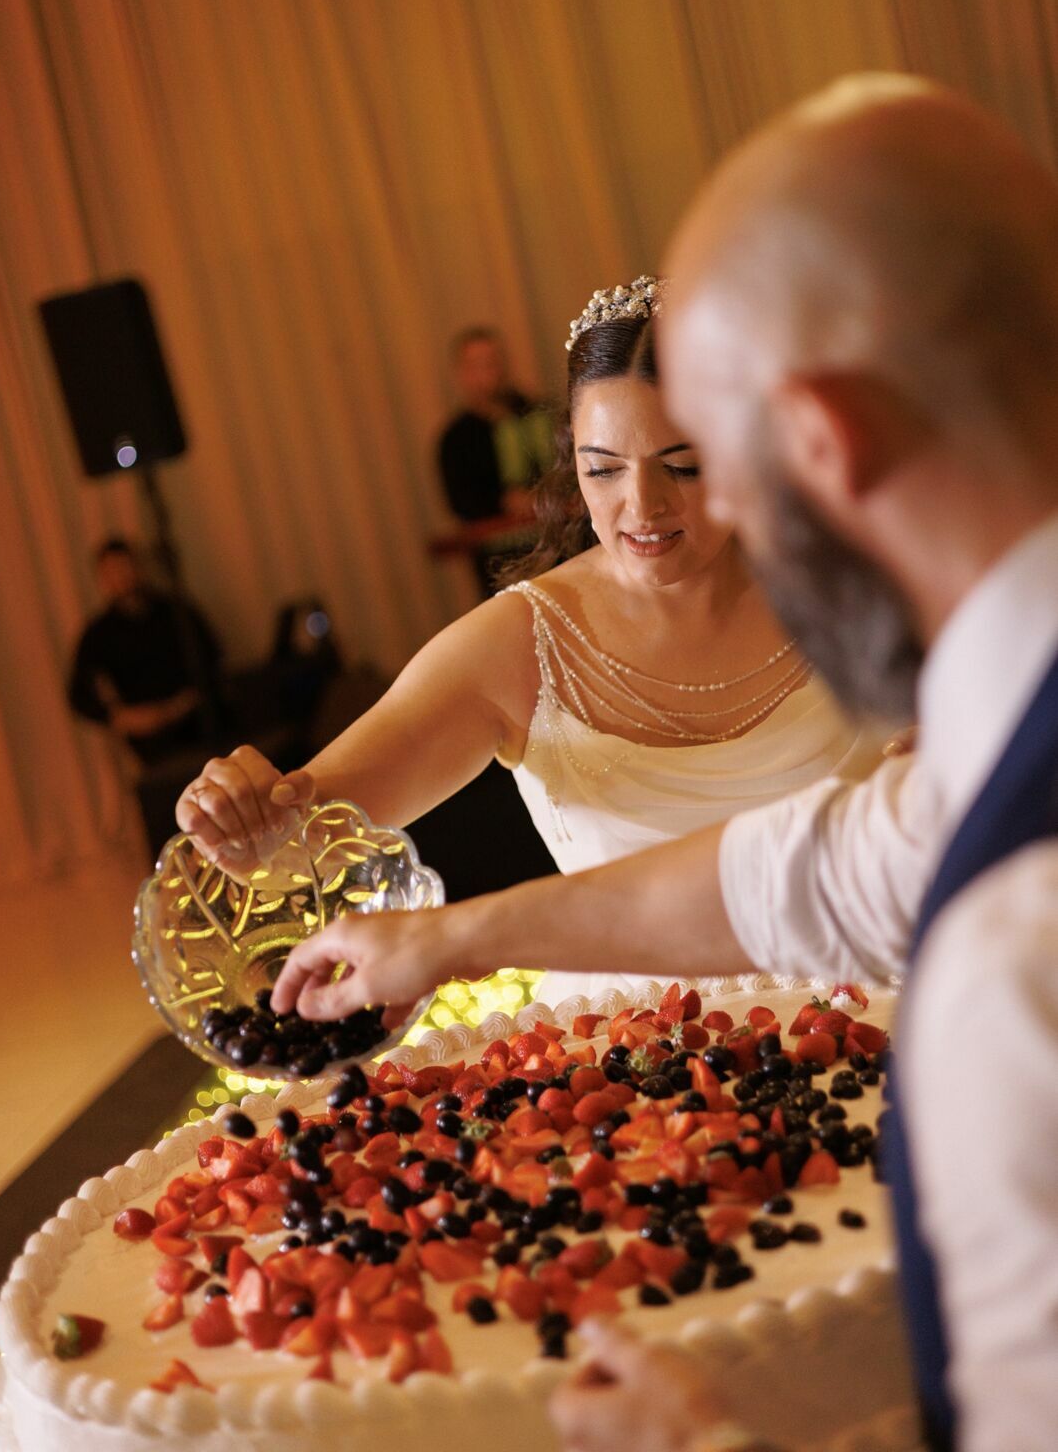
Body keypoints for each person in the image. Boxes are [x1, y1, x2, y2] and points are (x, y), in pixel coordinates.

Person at [267, 76, 1058, 1452]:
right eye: (603, 472)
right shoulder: (981, 782)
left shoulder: (1007, 966)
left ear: (818, 443)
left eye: (713, 466)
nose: (669, 517)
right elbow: (820, 868)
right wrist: (449, 941)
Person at [176, 279, 879, 1002]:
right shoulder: (520, 642)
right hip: (644, 1048)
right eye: (602, 468)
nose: (641, 506)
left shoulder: (849, 587)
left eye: (683, 464)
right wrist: (241, 816)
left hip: (878, 994)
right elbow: (310, 839)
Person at [68, 537, 222, 766]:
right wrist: (121, 717)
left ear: (138, 567)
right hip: (152, 743)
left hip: (198, 723)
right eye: (111, 572)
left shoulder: (176, 611)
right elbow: (78, 694)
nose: (121, 577)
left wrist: (181, 705)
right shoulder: (99, 633)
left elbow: (212, 657)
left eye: (124, 567)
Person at [436, 325, 555, 594]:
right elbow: (460, 502)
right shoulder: (456, 438)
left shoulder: (538, 413)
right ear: (462, 373)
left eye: (493, 361)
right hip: (503, 565)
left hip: (560, 547)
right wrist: (505, 502)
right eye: (478, 364)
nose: (490, 372)